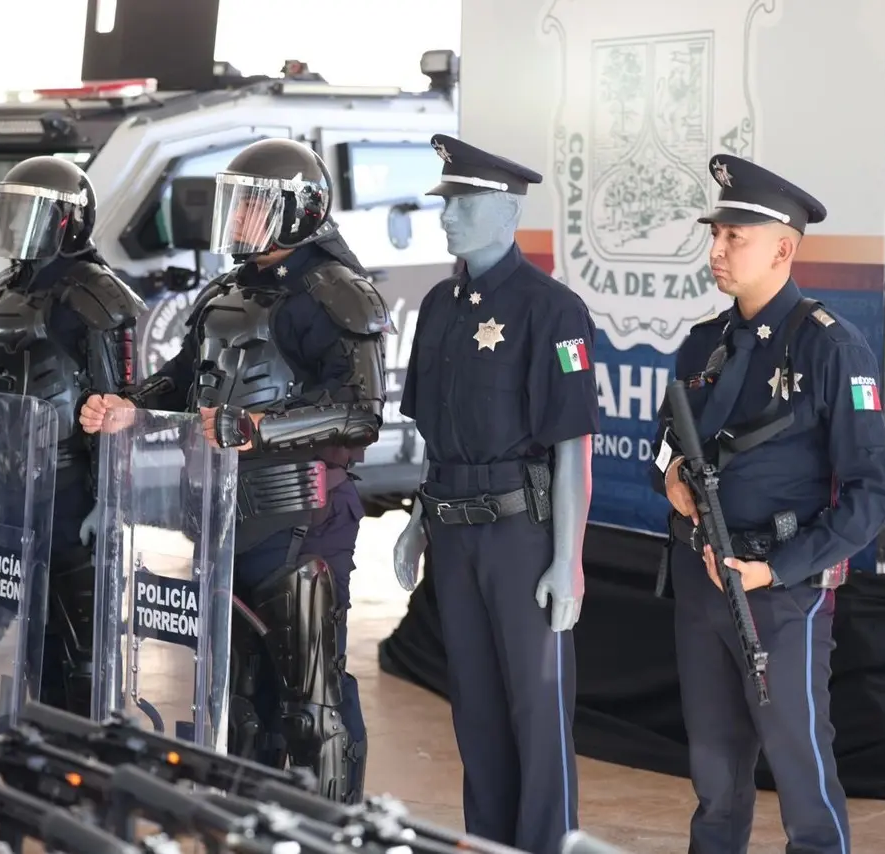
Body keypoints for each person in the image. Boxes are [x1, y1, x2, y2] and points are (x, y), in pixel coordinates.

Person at [77, 138, 387, 803]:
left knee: (313, 699)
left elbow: (362, 414)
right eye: (236, 203)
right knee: (238, 697)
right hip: (218, 515)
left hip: (301, 519)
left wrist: (260, 428)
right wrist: (127, 406)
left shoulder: (336, 293)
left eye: (250, 205)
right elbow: (183, 378)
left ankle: (332, 839)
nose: (236, 218)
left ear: (295, 212)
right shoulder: (228, 289)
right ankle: (248, 829)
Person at [650, 154, 885, 854]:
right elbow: (664, 445)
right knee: (715, 773)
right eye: (716, 235)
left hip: (781, 594)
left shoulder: (830, 349)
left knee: (800, 770)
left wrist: (780, 570)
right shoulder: (705, 345)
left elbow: (872, 495)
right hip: (704, 582)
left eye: (735, 238)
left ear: (784, 248)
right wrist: (667, 479)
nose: (717, 250)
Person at [392, 134, 598, 854]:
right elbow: (435, 432)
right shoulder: (440, 306)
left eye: (466, 203)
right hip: (453, 531)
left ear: (509, 213)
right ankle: (490, 844)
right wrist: (419, 521)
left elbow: (573, 444)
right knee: (475, 711)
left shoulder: (552, 310)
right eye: (447, 202)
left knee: (537, 714)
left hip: (520, 535)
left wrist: (567, 559)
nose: (448, 217)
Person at [0, 155, 145, 717]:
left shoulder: (97, 293)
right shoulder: (10, 285)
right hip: (12, 478)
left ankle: (86, 755)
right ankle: (38, 744)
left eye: (30, 210)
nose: (16, 221)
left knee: (80, 639)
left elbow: (117, 401)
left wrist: (109, 500)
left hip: (73, 480)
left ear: (66, 220)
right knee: (29, 627)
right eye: (12, 207)